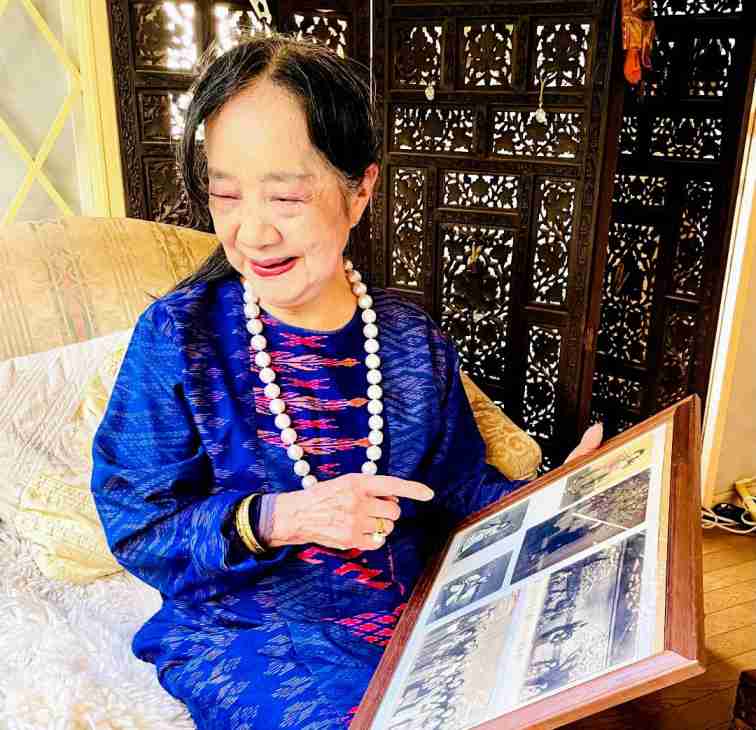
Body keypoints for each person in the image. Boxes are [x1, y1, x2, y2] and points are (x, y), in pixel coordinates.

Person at [90, 33, 601, 730]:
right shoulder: (180, 338)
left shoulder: (409, 339)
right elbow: (139, 526)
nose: (252, 232)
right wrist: (279, 518)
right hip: (247, 630)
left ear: (360, 191)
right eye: (226, 195)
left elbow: (457, 492)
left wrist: (562, 496)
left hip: (411, 610)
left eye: (286, 197)